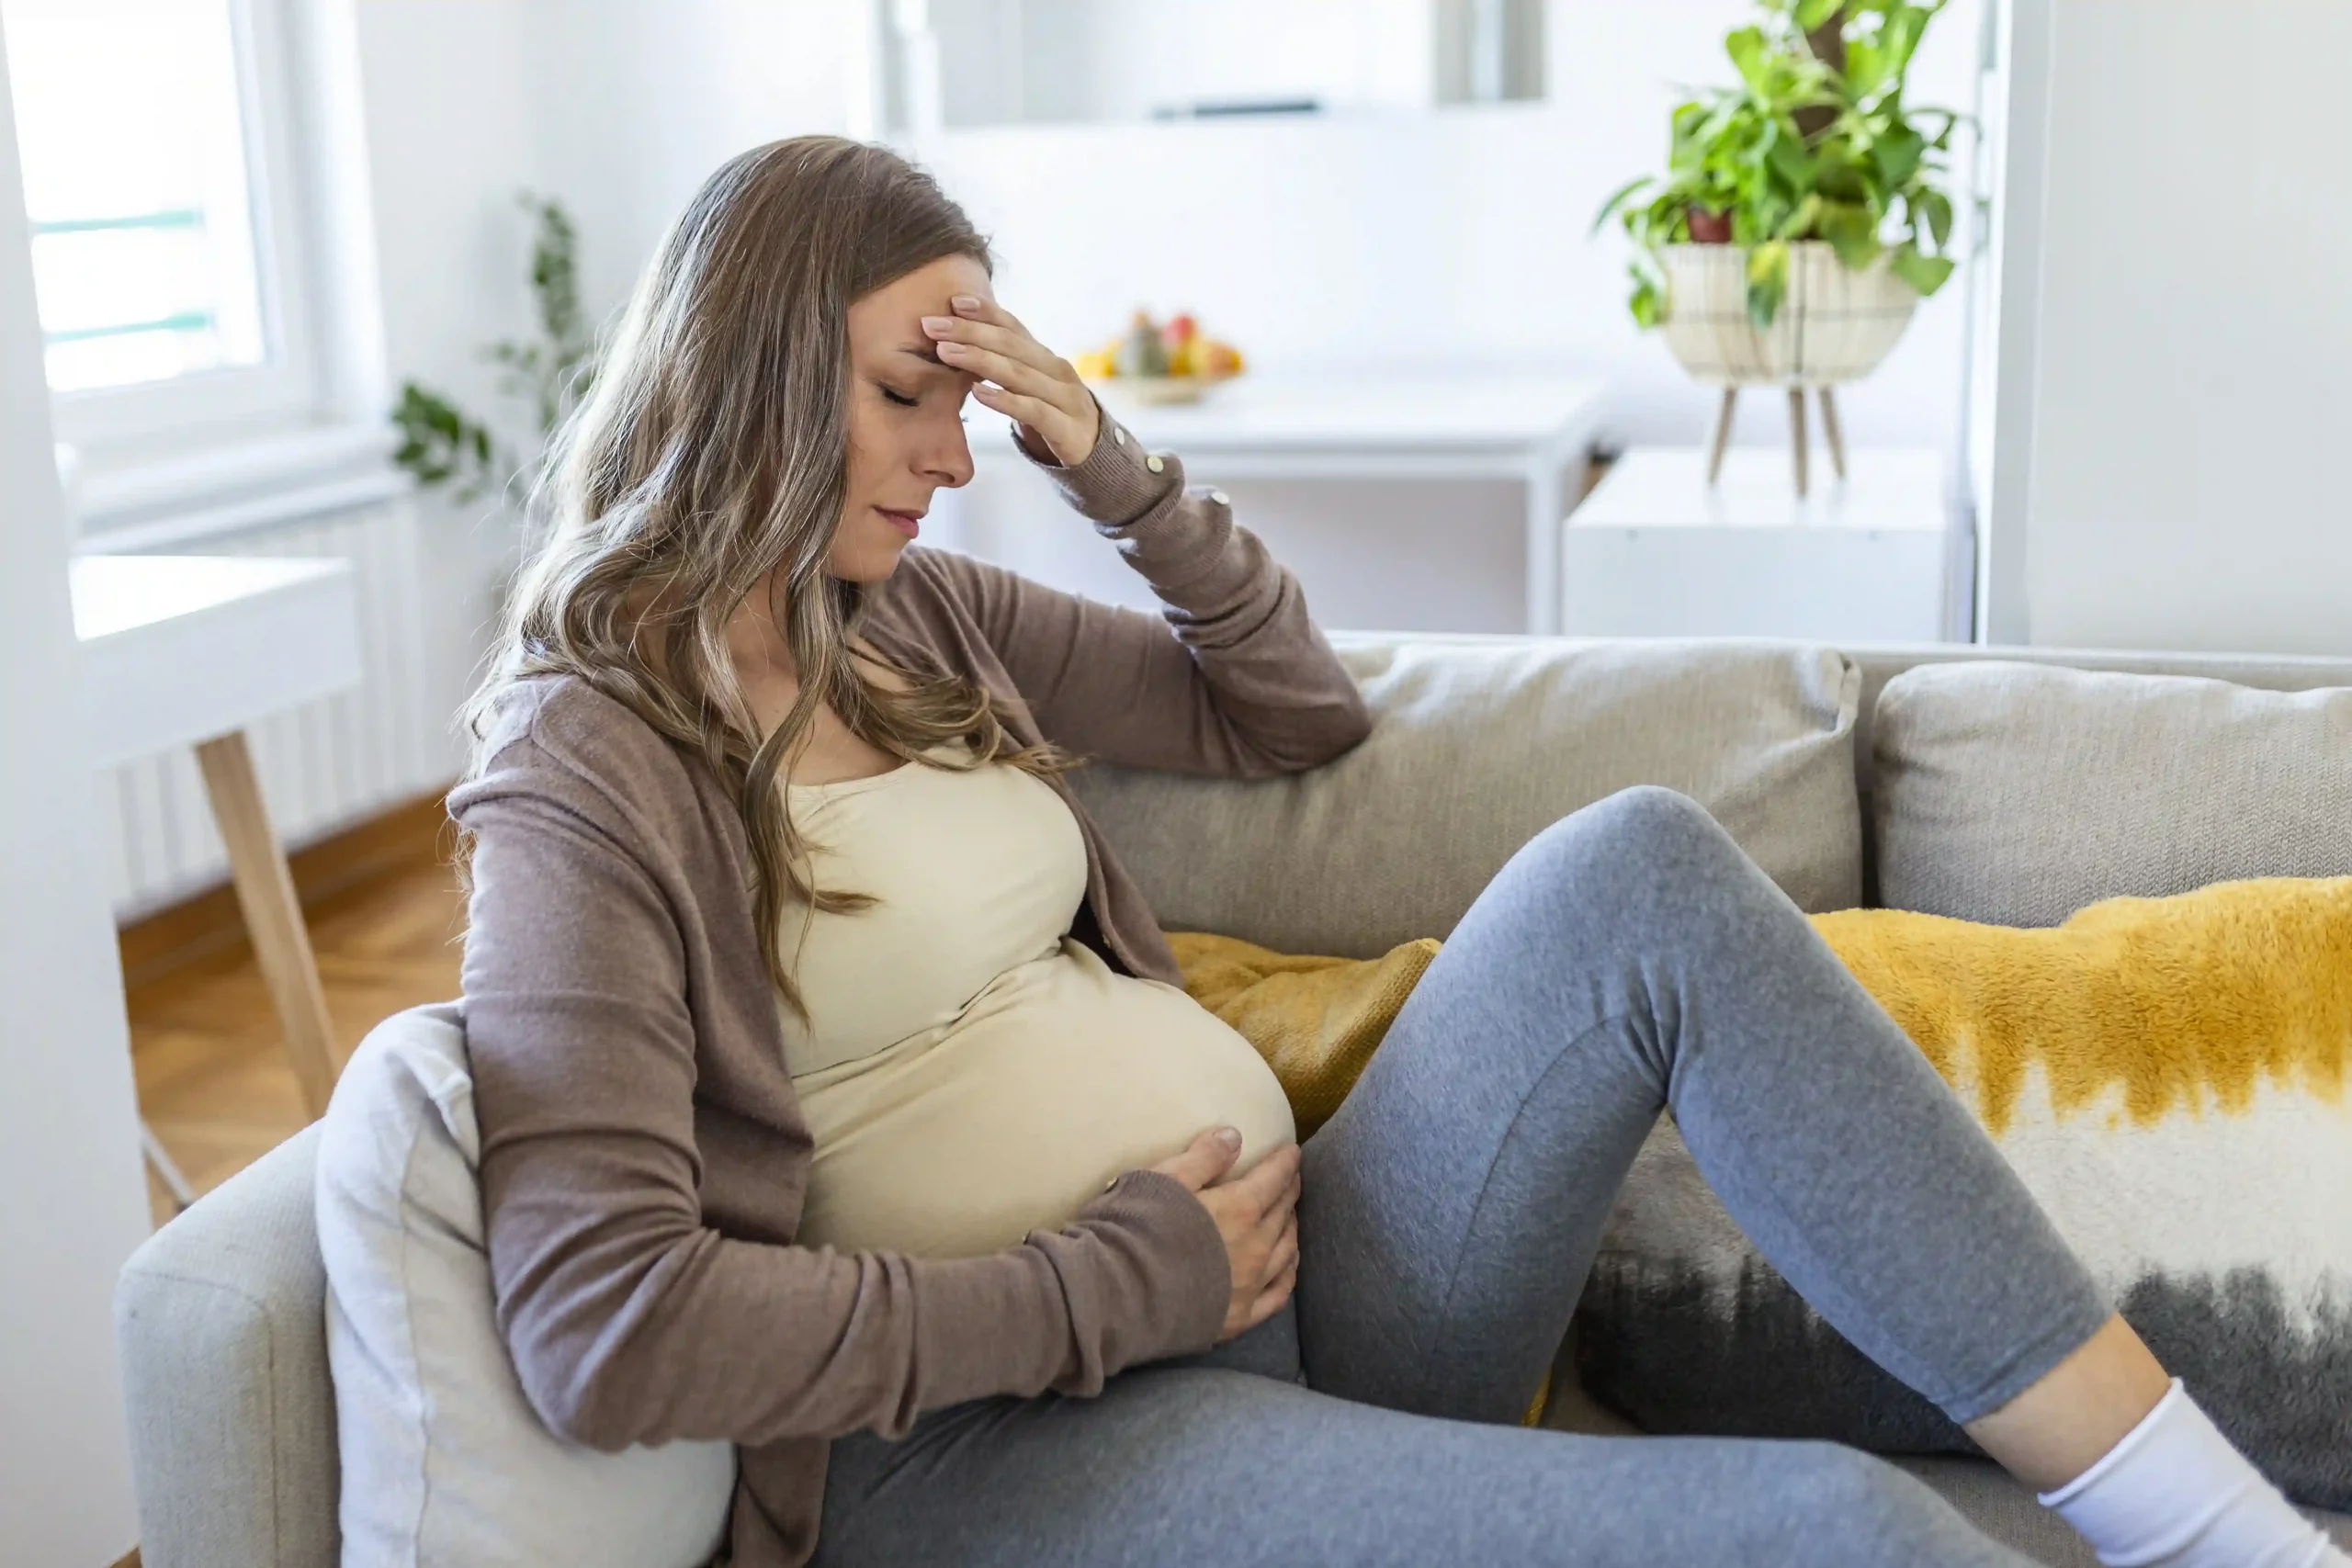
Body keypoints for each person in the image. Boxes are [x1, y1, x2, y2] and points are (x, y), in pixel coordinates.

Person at [449, 135, 2346, 1568]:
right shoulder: (585, 765)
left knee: (1634, 871)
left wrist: (1104, 454)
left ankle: (2214, 1528)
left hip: (1288, 1291)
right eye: (904, 391)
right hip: (1002, 1434)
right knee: (1836, 1528)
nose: (950, 451)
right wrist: (1111, 1285)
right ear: (749, 364)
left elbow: (1286, 705)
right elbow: (604, 1322)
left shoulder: (916, 618)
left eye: (965, 395)